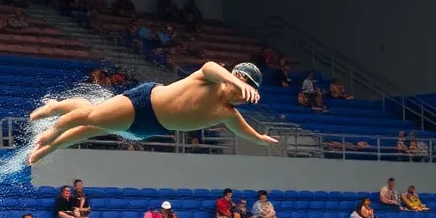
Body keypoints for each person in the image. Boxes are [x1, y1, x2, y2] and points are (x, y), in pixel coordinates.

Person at [25, 62, 277, 164]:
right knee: (91, 118)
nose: (239, 93)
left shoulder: (227, 113)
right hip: (142, 102)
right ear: (233, 78)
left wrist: (260, 139)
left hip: (148, 128)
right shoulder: (212, 79)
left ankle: (56, 135)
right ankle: (53, 126)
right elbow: (211, 67)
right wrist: (239, 81)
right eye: (239, 85)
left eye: (245, 92)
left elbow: (248, 133)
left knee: (91, 127)